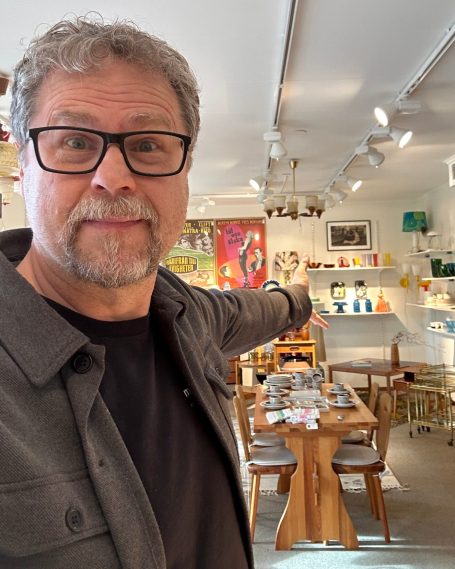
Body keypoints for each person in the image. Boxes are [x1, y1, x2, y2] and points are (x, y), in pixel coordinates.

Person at [1, 15, 328, 569]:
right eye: (75, 141)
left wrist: (301, 297)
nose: (114, 177)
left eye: (148, 144)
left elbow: (265, 308)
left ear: (186, 169)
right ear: (22, 166)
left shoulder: (189, 316)